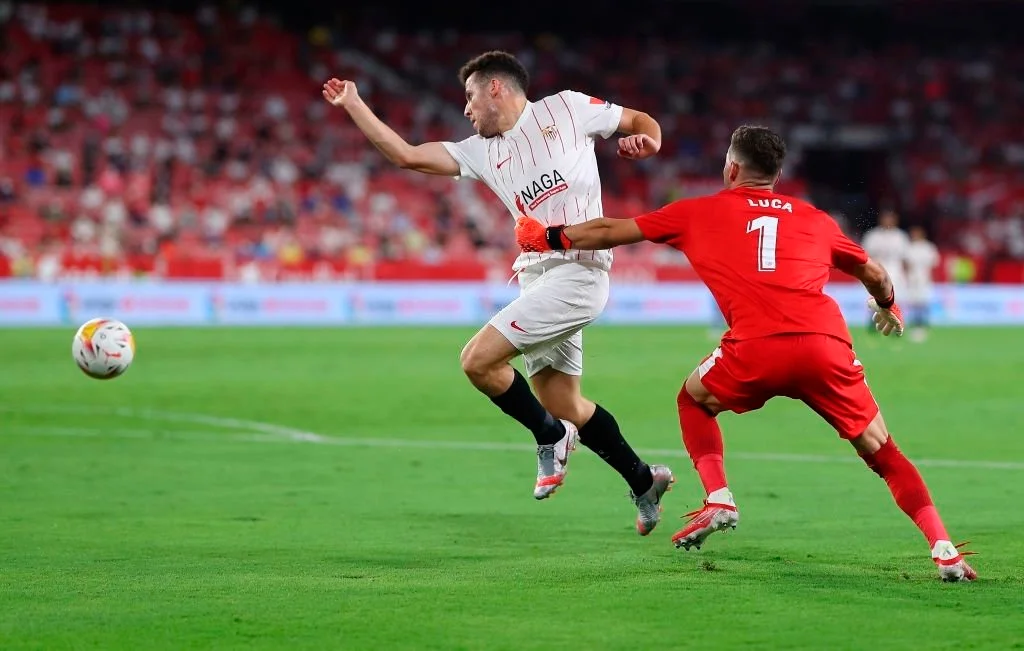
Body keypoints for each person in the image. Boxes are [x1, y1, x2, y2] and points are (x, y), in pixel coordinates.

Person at [513, 125, 975, 581]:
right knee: (883, 451)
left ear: (731, 168)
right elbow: (875, 274)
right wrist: (888, 305)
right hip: (825, 345)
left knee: (693, 399)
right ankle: (945, 550)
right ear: (777, 175)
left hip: (756, 347)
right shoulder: (816, 218)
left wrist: (547, 237)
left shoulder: (697, 211)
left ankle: (719, 497)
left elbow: (611, 229)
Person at [322, 51, 674, 534]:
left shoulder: (567, 108)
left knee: (477, 361)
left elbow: (639, 120)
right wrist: (353, 104)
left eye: (469, 97)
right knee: (563, 402)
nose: (465, 109)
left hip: (581, 271)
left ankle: (550, 438)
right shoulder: (481, 151)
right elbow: (406, 155)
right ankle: (643, 480)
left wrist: (649, 141)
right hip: (535, 276)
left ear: (495, 88)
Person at [861, 210, 910, 333]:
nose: (888, 221)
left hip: (895, 271)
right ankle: (873, 323)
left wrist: (906, 275)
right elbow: (865, 255)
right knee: (874, 298)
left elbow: (905, 258)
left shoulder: (900, 237)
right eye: (885, 218)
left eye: (890, 218)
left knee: (896, 299)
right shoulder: (873, 236)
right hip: (877, 270)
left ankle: (896, 325)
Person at [905, 226, 940, 342]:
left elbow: (934, 265)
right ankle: (914, 324)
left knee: (924, 302)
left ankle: (924, 325)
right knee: (913, 303)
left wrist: (931, 278)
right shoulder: (909, 248)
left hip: (925, 279)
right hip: (912, 279)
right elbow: (906, 265)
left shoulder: (929, 247)